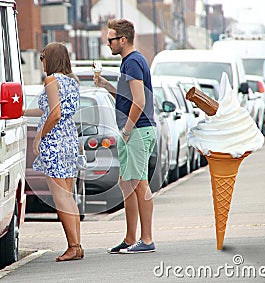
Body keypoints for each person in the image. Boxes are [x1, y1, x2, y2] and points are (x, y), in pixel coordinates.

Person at [94, 19, 157, 253]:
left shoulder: (132, 63)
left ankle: (147, 240)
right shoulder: (129, 62)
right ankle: (131, 239)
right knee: (127, 184)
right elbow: (128, 97)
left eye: (110, 39)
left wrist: (128, 129)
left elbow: (139, 101)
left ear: (122, 39)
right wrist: (105, 86)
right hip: (134, 130)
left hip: (137, 130)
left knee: (140, 184)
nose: (107, 43)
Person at [23, 42, 84, 262]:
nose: (42, 61)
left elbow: (54, 114)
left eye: (42, 57)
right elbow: (47, 108)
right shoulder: (71, 81)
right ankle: (77, 244)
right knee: (68, 196)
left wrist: (39, 136)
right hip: (69, 139)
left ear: (50, 58)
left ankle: (73, 246)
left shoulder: (51, 80)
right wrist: (21, 112)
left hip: (55, 141)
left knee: (60, 199)